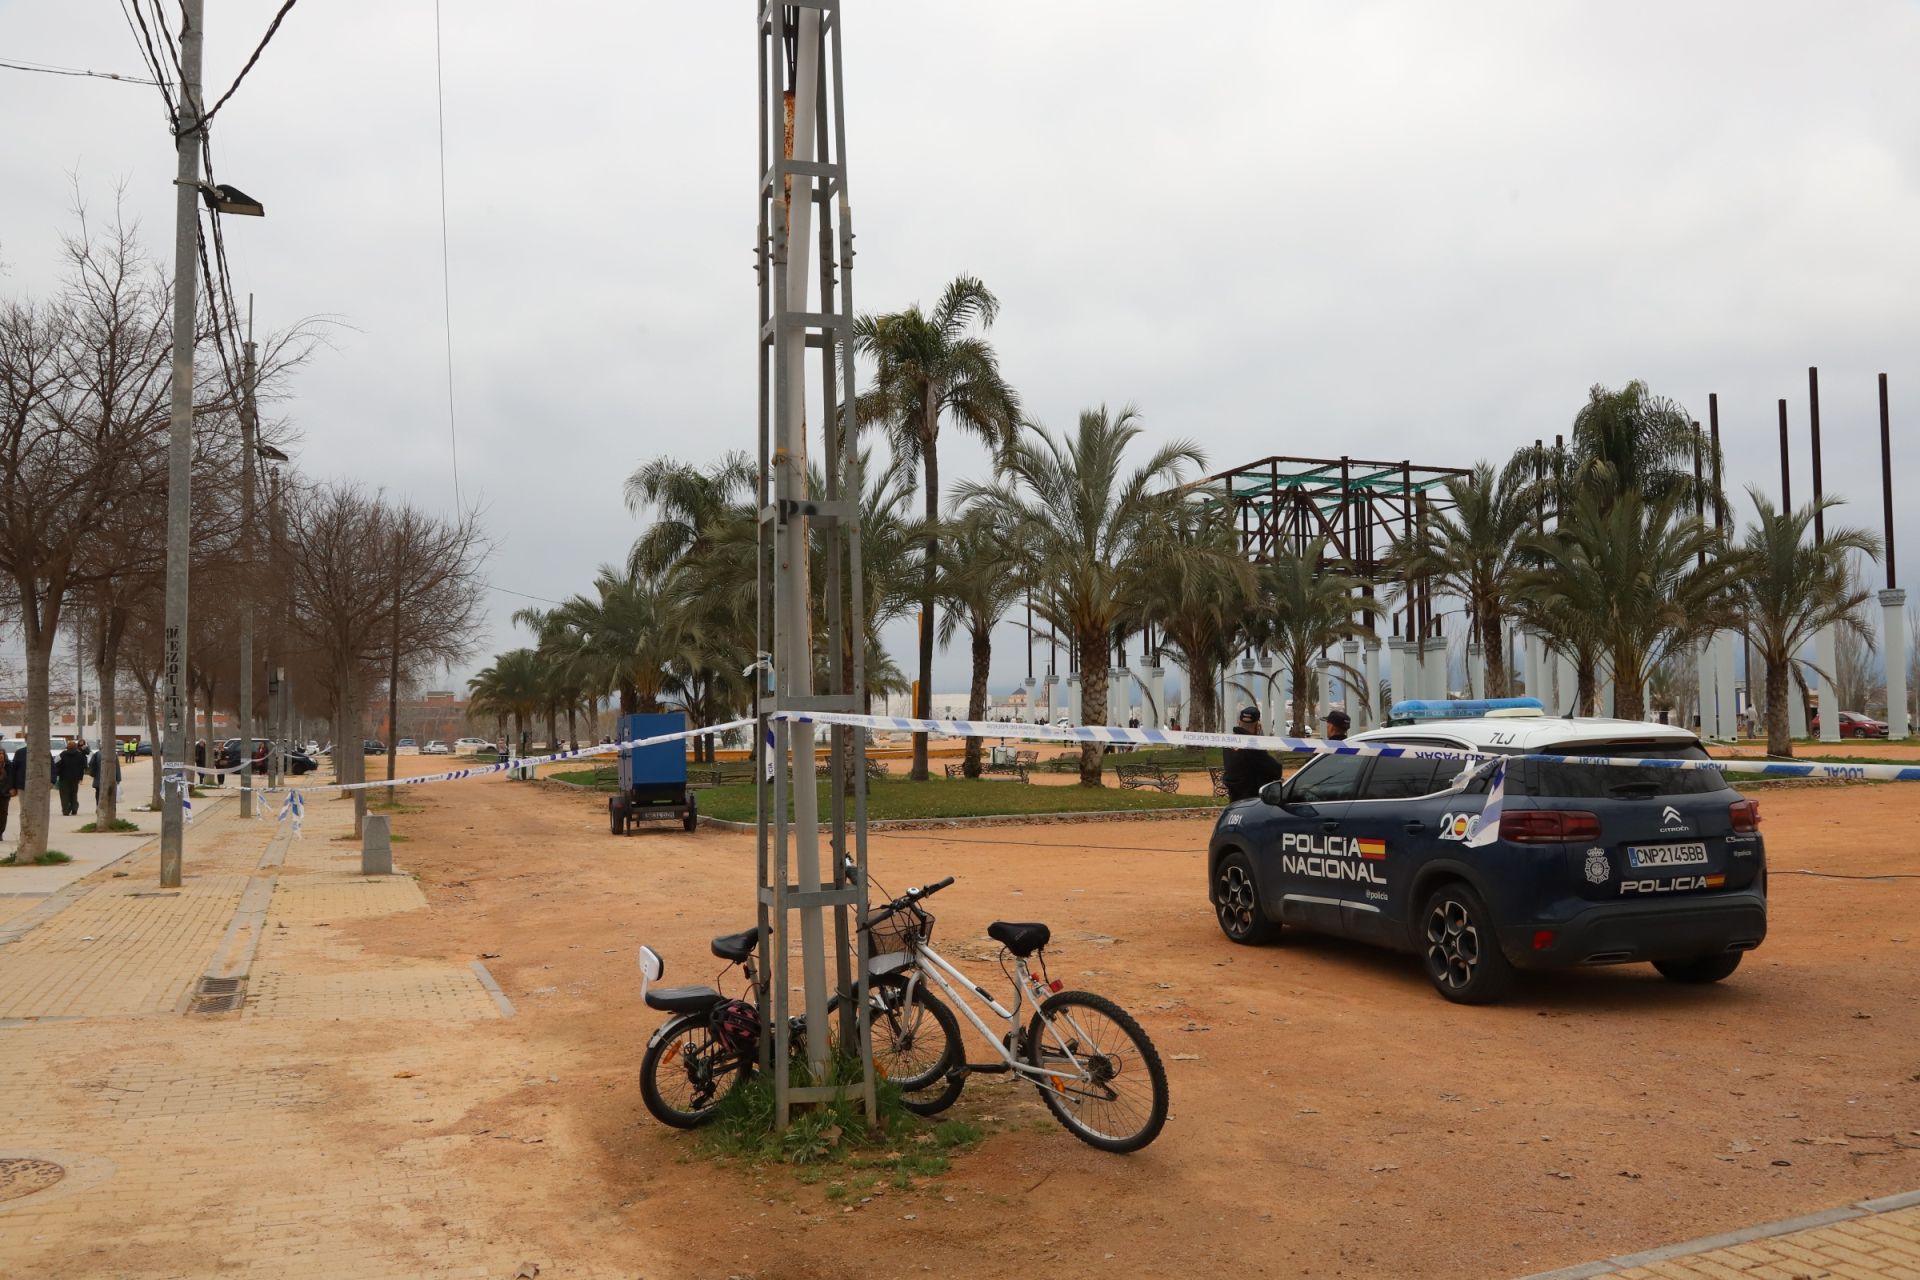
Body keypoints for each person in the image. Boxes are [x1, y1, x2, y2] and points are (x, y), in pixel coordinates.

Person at [1221, 705, 1284, 801]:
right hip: (1252, 798)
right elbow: (1275, 771)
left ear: (1239, 722)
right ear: (1258, 726)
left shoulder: (1229, 744)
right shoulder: (1253, 747)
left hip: (1234, 796)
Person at [57, 738, 89, 817]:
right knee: (74, 793)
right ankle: (74, 809)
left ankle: (65, 810)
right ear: (75, 747)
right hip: (75, 778)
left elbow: (56, 765)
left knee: (64, 794)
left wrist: (58, 774)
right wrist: (81, 777)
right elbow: (83, 766)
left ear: (67, 747)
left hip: (64, 777)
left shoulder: (62, 754)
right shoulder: (80, 755)